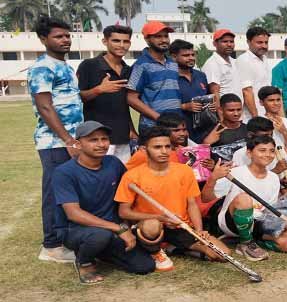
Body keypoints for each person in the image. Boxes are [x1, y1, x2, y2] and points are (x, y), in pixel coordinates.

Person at [115, 126, 230, 271]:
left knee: (222, 254)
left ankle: (176, 248)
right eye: (157, 147)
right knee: (152, 225)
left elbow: (192, 204)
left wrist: (200, 230)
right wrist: (160, 217)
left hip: (180, 225)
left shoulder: (184, 171)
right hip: (150, 226)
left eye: (167, 146)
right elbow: (124, 212)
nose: (164, 151)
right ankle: (155, 251)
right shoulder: (132, 176)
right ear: (144, 149)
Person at [53, 121, 155, 284]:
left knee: (145, 266)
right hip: (76, 230)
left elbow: (127, 196)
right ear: (78, 144)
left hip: (111, 229)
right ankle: (84, 262)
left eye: (104, 139)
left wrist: (128, 224)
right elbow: (74, 213)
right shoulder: (64, 172)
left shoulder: (113, 163)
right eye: (93, 140)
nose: (101, 144)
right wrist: (119, 229)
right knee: (100, 236)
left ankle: (101, 251)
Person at [29, 17, 83, 263]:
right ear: (43, 39)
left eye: (67, 36)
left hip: (71, 140)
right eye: (58, 36)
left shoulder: (65, 66)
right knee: (54, 192)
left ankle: (65, 239)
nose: (65, 40)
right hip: (54, 143)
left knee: (69, 192)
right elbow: (45, 106)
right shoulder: (43, 67)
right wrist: (68, 140)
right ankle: (51, 246)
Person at [206, 135, 287, 258]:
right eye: (262, 150)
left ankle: (249, 240)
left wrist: (285, 220)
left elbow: (268, 211)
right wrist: (213, 178)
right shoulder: (235, 172)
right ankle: (246, 243)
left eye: (271, 151)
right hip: (232, 222)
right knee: (244, 199)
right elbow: (206, 198)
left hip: (259, 222)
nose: (268, 154)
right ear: (249, 153)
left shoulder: (274, 178)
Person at [77, 25, 137, 164]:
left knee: (121, 177)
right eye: (116, 41)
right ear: (105, 41)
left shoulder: (127, 70)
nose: (121, 45)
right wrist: (99, 89)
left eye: (125, 41)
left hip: (123, 136)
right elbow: (79, 97)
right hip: (98, 138)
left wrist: (131, 129)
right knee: (100, 178)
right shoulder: (89, 65)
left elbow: (123, 103)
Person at [126, 21, 181, 132]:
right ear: (147, 39)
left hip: (175, 126)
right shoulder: (141, 65)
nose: (164, 40)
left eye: (166, 36)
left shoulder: (173, 63)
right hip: (152, 127)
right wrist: (159, 118)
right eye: (158, 37)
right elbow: (131, 98)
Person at [171, 39, 212, 143]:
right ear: (174, 57)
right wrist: (185, 106)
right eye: (186, 55)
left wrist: (210, 105)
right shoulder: (169, 77)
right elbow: (162, 104)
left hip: (204, 130)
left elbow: (207, 97)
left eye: (193, 55)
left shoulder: (200, 75)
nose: (191, 58)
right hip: (181, 131)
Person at [237, 27, 272, 120]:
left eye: (266, 42)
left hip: (266, 114)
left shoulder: (264, 59)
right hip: (251, 117)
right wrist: (255, 117)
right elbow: (247, 91)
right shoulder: (244, 60)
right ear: (248, 42)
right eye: (259, 42)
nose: (264, 46)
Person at [201, 29, 242, 106]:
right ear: (215, 43)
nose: (229, 44)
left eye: (231, 41)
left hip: (237, 111)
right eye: (225, 41)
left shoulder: (234, 62)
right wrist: (221, 114)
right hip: (225, 111)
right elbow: (215, 93)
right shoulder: (212, 64)